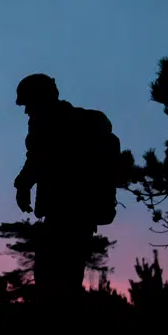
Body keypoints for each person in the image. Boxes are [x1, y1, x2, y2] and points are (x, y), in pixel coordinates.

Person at [12, 74, 122, 318]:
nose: (27, 111)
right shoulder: (74, 121)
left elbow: (39, 157)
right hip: (79, 217)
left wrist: (23, 185)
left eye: (28, 103)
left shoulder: (52, 123)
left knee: (55, 286)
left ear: (40, 98)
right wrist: (24, 185)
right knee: (66, 283)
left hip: (65, 216)